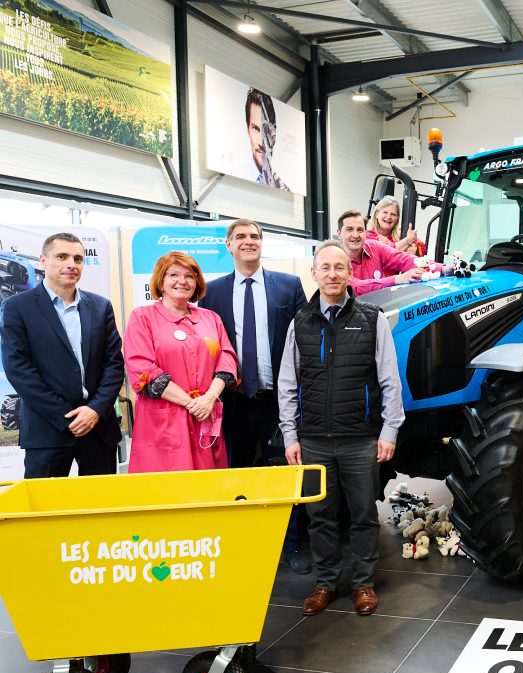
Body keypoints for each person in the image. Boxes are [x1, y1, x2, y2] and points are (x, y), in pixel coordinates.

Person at [278, 240, 404, 616]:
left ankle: (363, 583)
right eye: (325, 268)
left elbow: (390, 380)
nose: (332, 274)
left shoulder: (371, 318)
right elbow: (288, 383)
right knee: (320, 516)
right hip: (313, 439)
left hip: (360, 438)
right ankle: (326, 582)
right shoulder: (299, 322)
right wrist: (290, 435)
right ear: (314, 274)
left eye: (339, 267)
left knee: (364, 513)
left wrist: (389, 430)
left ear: (350, 273)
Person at [199, 219, 310, 573]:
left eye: (255, 237)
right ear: (229, 245)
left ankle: (291, 544)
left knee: (284, 472)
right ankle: (245, 543)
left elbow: (305, 340)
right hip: (231, 401)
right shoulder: (211, 293)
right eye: (241, 237)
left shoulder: (288, 287)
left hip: (278, 399)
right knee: (237, 473)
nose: (249, 242)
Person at [0, 232, 123, 478]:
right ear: (43, 260)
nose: (71, 264)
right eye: (62, 256)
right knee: (43, 511)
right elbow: (19, 370)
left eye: (78, 259)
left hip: (98, 427)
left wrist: (95, 410)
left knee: (101, 508)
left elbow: (114, 365)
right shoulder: (17, 307)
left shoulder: (100, 306)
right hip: (48, 428)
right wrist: (64, 417)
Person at [124, 252, 238, 473]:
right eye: (173, 274)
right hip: (163, 422)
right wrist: (191, 404)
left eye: (189, 276)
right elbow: (142, 369)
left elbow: (227, 359)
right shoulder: (142, 317)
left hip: (206, 415)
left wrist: (209, 399)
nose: (182, 281)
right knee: (165, 490)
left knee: (208, 489)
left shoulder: (210, 318)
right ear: (161, 281)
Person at [338, 210, 445, 295]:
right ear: (339, 233)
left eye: (360, 230)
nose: (356, 235)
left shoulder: (374, 246)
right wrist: (397, 279)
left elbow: (403, 259)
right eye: (349, 229)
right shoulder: (334, 258)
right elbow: (354, 286)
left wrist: (443, 268)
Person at [245, 88, 288, 190]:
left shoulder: (281, 187)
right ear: (247, 129)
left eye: (266, 131)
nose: (261, 142)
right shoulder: (234, 175)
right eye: (255, 129)